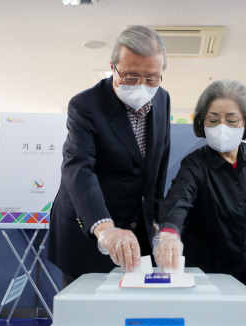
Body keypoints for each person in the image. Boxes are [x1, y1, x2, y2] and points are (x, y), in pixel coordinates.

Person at [47, 26, 171, 287]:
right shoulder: (85, 106)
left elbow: (158, 166)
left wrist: (157, 220)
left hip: (138, 230)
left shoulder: (162, 99)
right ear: (112, 66)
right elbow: (79, 169)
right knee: (88, 317)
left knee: (131, 314)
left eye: (151, 78)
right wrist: (105, 229)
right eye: (131, 76)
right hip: (90, 227)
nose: (141, 86)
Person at [153, 79, 246, 294]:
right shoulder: (195, 164)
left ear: (245, 122)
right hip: (203, 278)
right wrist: (169, 233)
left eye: (231, 120)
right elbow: (178, 199)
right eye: (213, 120)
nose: (222, 127)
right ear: (203, 122)